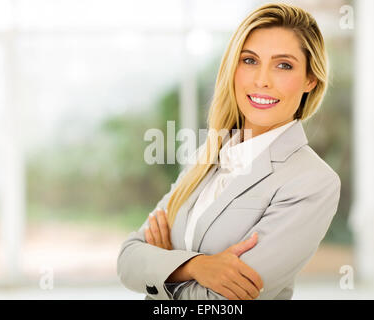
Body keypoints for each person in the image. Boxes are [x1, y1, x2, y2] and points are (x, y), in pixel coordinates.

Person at [117, 3, 341, 300]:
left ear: (310, 79)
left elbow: (223, 301)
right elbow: (128, 259)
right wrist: (195, 266)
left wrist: (163, 267)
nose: (262, 79)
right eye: (250, 60)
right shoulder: (209, 156)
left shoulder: (312, 182)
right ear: (233, 67)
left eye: (283, 65)